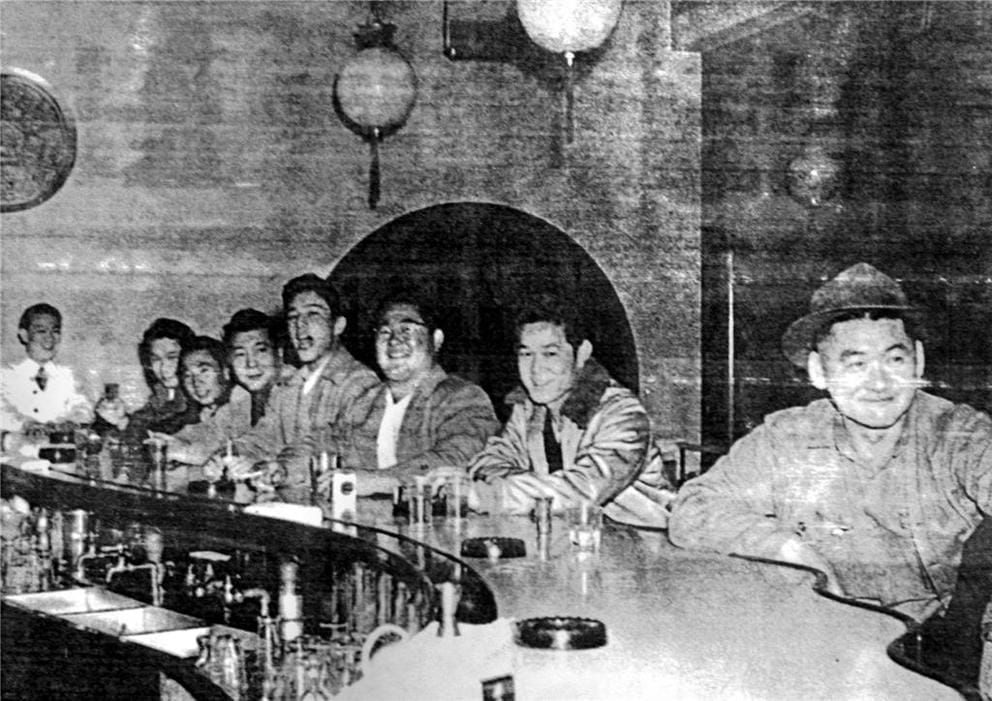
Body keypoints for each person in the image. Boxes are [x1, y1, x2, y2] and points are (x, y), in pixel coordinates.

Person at [668, 263, 992, 620]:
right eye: (856, 364)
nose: (880, 383)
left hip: (933, 646)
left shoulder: (958, 433)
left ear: (918, 365)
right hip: (825, 629)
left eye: (895, 359)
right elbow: (693, 509)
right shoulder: (789, 438)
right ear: (818, 371)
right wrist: (792, 551)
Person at [466, 293, 673, 527]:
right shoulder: (528, 409)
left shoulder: (622, 413)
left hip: (643, 543)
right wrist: (537, 487)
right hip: (568, 537)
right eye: (526, 354)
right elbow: (487, 463)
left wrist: (486, 495)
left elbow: (584, 490)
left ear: (582, 353)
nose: (535, 369)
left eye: (550, 354)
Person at [213, 274, 379, 502]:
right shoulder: (289, 387)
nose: (300, 327)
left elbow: (337, 445)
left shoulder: (360, 383)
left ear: (338, 325)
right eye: (293, 317)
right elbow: (263, 438)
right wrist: (228, 456)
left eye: (313, 314)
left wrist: (282, 468)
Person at [331, 290, 500, 496]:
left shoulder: (463, 397)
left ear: (436, 340)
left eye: (407, 329)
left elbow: (455, 458)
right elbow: (323, 443)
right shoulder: (363, 401)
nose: (394, 340)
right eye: (384, 332)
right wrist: (286, 469)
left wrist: (380, 481)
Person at [156, 309, 287, 468]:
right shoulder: (243, 403)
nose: (251, 363)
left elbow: (264, 446)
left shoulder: (294, 391)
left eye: (260, 351)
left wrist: (187, 453)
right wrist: (173, 442)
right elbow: (208, 432)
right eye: (240, 354)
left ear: (279, 353)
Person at [93, 318, 199, 442]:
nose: (163, 368)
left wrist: (125, 423)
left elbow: (171, 429)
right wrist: (121, 419)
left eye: (172, 358)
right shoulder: (163, 395)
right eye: (156, 359)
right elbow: (146, 422)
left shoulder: (199, 397)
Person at [1, 303, 93, 432]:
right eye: (41, 331)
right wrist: (25, 424)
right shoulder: (5, 377)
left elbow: (83, 408)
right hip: (18, 450)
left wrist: (71, 422)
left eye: (55, 331)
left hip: (60, 448)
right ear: (24, 335)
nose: (49, 338)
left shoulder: (68, 376)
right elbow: (3, 411)